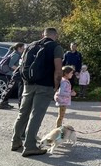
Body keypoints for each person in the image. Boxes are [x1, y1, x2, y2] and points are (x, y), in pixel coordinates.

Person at [11, 27, 64, 157]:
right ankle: (30, 146)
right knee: (36, 115)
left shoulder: (31, 45)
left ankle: (15, 141)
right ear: (55, 35)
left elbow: (22, 65)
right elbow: (58, 70)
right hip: (45, 85)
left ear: (42, 35)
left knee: (23, 113)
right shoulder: (56, 47)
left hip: (28, 84)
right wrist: (56, 86)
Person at [0, 42, 25, 110]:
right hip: (11, 74)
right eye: (23, 47)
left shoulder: (16, 53)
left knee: (9, 88)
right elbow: (11, 65)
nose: (24, 49)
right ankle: (2, 103)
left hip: (11, 74)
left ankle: (4, 102)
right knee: (9, 89)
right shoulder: (16, 55)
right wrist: (19, 69)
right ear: (19, 48)